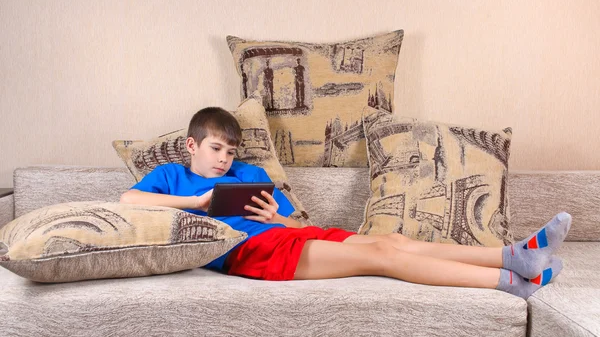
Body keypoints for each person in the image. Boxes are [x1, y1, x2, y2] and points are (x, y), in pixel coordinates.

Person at [120, 107, 572, 300]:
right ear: (192, 145)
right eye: (216, 149)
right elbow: (128, 200)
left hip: (284, 236)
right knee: (382, 256)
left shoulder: (251, 175)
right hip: (248, 254)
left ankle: (515, 255)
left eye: (230, 151)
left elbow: (289, 222)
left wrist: (280, 216)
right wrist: (197, 201)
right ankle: (509, 282)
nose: (224, 159)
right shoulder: (171, 177)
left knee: (391, 239)